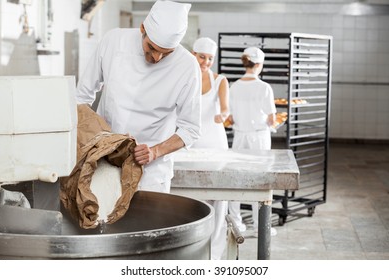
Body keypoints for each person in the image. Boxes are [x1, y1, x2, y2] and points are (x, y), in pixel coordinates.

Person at [76, 0, 202, 194]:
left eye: (166, 53)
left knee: (151, 224)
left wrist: (155, 151)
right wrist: (100, 138)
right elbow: (81, 98)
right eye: (151, 47)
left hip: (151, 175)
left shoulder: (188, 66)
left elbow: (191, 129)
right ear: (142, 28)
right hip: (103, 163)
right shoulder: (114, 41)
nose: (156, 58)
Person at [227, 46, 277, 236]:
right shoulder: (264, 87)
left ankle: (237, 223)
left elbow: (229, 118)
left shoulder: (234, 86)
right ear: (259, 64)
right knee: (260, 179)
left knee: (235, 179)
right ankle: (260, 226)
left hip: (239, 136)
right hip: (259, 138)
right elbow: (272, 119)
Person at [191, 37, 229, 260]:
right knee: (193, 196)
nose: (205, 62)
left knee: (218, 198)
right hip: (190, 143)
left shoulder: (220, 81)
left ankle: (214, 255)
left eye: (210, 58)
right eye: (202, 57)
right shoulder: (184, 78)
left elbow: (225, 109)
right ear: (193, 54)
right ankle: (195, 249)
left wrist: (222, 116)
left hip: (214, 142)